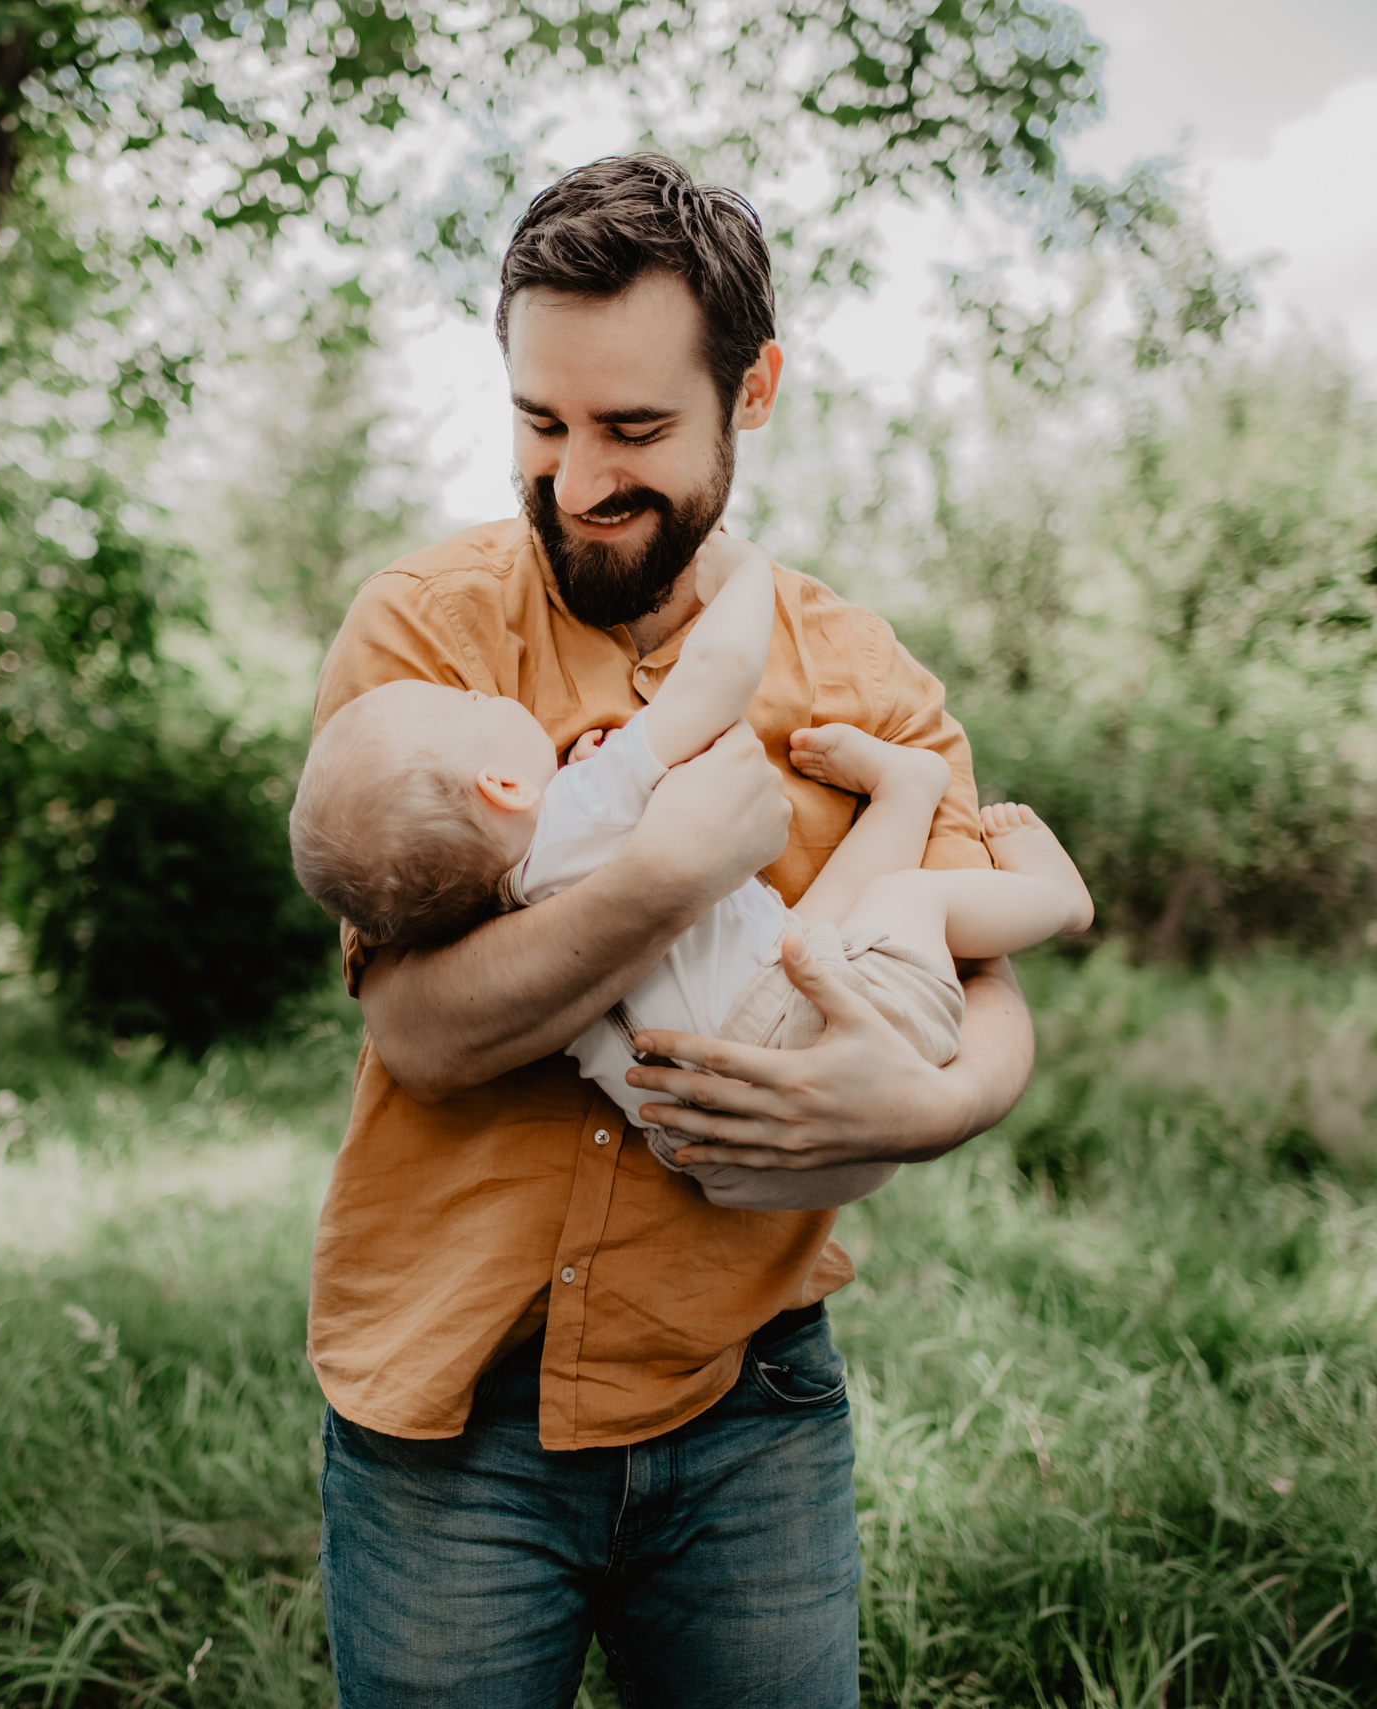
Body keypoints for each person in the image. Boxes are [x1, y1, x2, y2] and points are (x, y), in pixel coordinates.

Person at [304, 153, 1040, 1709]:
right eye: (540, 423)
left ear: (749, 390)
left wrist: (940, 1101)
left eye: (634, 429)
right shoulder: (424, 640)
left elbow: (986, 979)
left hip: (747, 1406)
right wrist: (660, 879)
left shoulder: (853, 665)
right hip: (450, 1417)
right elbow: (420, 1036)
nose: (577, 479)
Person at [289, 531, 1093, 1211]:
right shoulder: (584, 802)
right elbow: (717, 678)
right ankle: (1057, 901)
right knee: (904, 895)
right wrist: (747, 576)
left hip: (715, 1149)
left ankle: (905, 795)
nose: (485, 699)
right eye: (470, 707)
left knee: (812, 930)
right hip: (822, 1045)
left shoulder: (496, 904)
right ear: (502, 785)